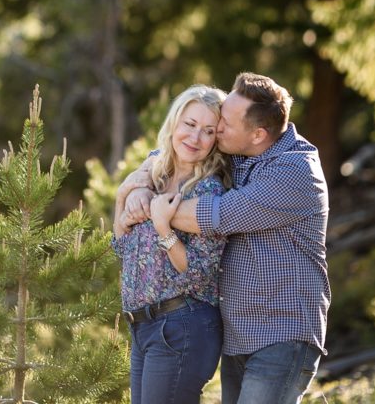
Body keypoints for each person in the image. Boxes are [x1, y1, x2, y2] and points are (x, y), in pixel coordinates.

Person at [119, 72, 330, 404]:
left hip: (281, 335)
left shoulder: (295, 172)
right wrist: (144, 181)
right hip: (239, 334)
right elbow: (177, 151)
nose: (216, 130)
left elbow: (217, 215)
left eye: (224, 124)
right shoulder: (243, 151)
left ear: (258, 134)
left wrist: (155, 207)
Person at [112, 85, 230, 404]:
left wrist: (163, 226)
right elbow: (121, 248)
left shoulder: (208, 192)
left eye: (208, 131)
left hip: (182, 326)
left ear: (216, 139)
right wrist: (124, 197)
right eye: (189, 125)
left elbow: (197, 273)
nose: (195, 138)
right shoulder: (155, 174)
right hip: (143, 327)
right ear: (174, 123)